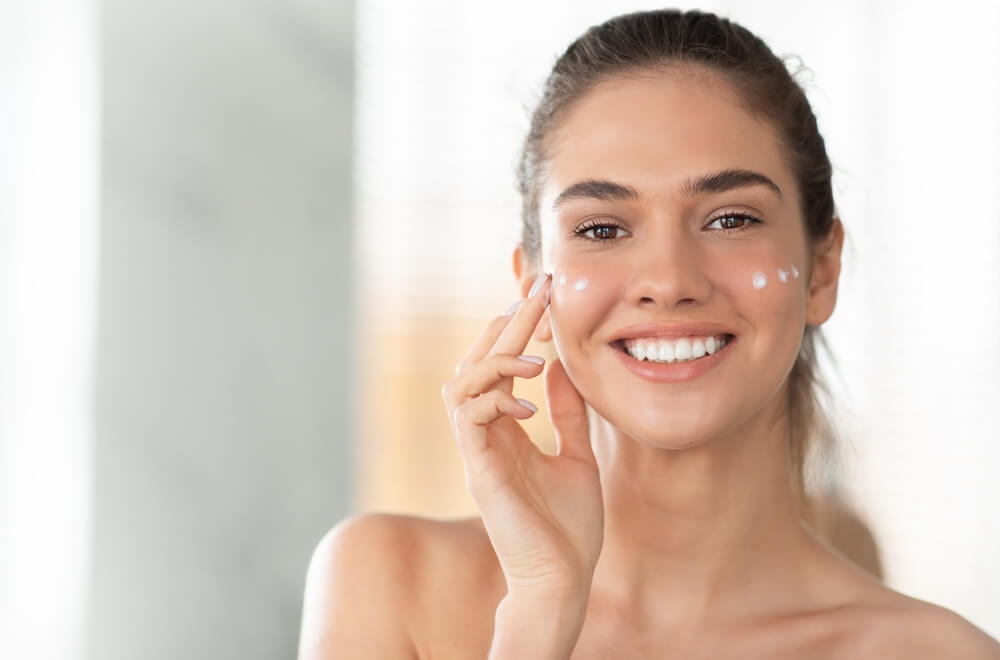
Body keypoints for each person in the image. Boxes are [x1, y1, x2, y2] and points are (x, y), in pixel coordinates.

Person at [297, 9, 1000, 659]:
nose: (667, 279)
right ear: (530, 283)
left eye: (730, 219)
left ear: (822, 269)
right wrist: (541, 613)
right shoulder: (389, 586)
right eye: (602, 229)